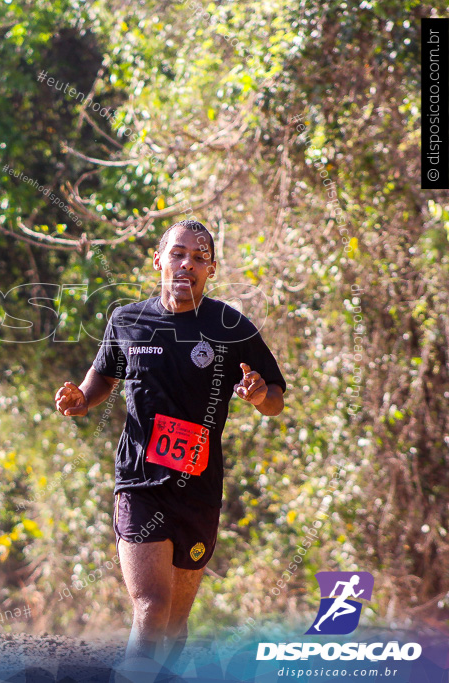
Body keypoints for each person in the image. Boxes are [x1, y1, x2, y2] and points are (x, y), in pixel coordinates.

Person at [54, 220, 286, 668]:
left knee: (175, 625)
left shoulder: (229, 326)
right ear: (158, 260)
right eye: (178, 254)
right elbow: (104, 374)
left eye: (199, 258)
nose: (187, 264)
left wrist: (260, 396)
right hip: (140, 482)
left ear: (212, 269)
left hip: (198, 490)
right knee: (151, 608)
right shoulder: (128, 319)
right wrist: (83, 399)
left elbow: (275, 396)